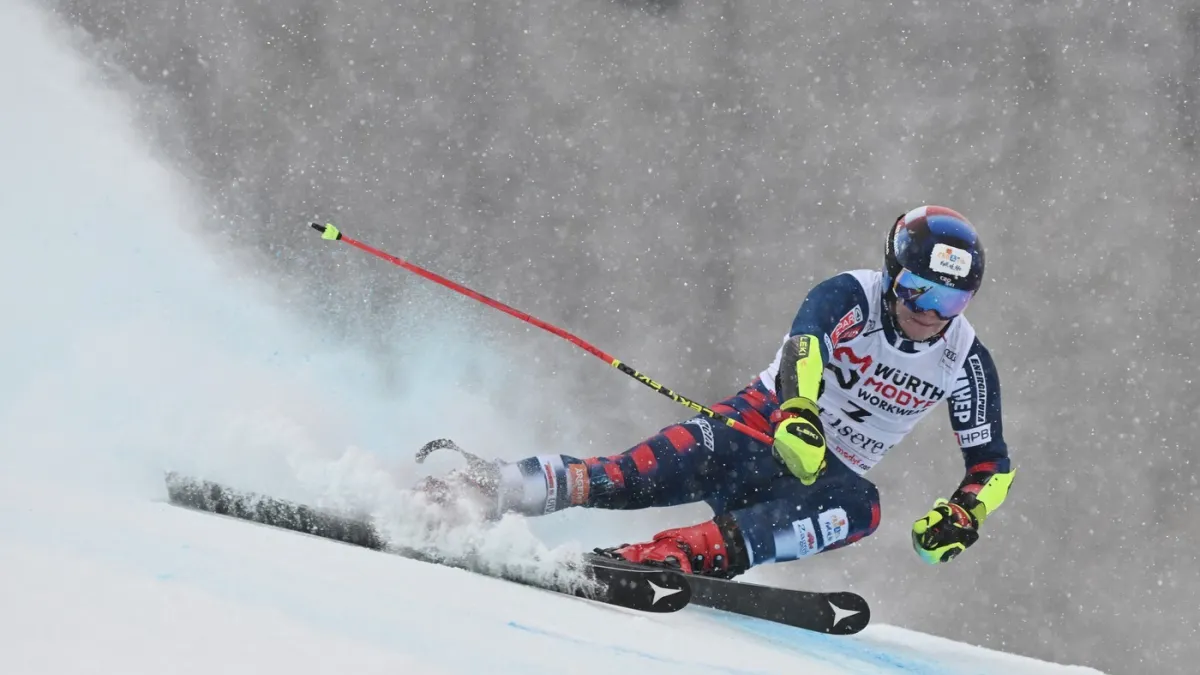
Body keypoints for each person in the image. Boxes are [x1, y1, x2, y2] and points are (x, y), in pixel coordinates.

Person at [419, 205, 1015, 578]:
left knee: (863, 509)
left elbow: (992, 465)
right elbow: (804, 348)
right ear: (891, 274)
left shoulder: (964, 359)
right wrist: (798, 414)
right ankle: (486, 487)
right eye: (917, 290)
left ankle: (680, 554)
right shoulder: (850, 296)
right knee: (625, 476)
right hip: (755, 429)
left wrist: (965, 513)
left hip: (817, 479)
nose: (929, 312)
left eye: (951, 300)